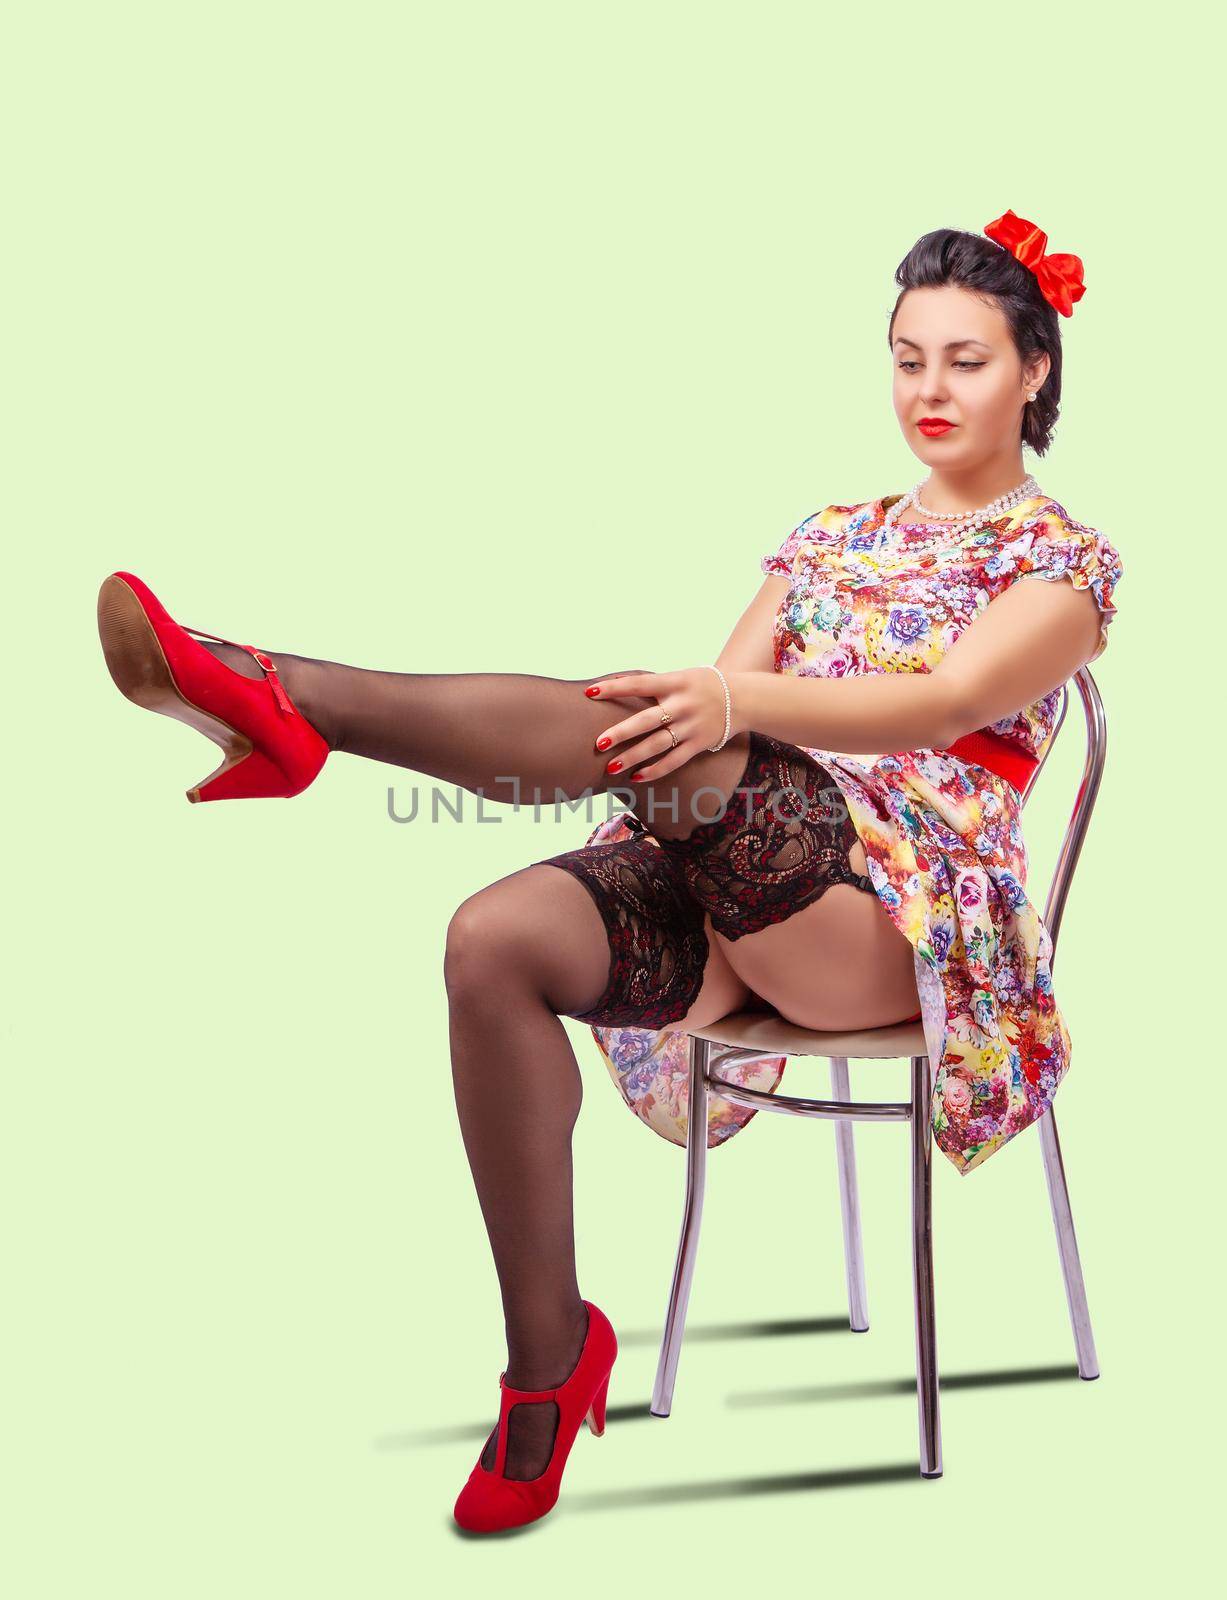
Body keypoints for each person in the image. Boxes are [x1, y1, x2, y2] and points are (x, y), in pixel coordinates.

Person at [95, 207, 1122, 1534]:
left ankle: (292, 702)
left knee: (680, 738)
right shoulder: (827, 537)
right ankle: (547, 1367)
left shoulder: (1063, 565)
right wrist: (713, 708)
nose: (928, 389)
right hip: (750, 867)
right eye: (906, 356)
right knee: (492, 939)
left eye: (965, 361)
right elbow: (714, 708)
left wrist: (721, 705)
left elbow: (936, 707)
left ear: (1033, 369)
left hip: (894, 914)